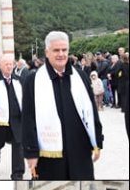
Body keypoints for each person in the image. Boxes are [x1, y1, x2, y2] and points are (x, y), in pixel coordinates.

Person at [22, 32, 103, 180]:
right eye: (56, 50)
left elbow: (91, 111)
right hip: (49, 154)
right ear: (47, 52)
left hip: (80, 148)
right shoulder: (32, 80)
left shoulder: (80, 76)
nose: (61, 54)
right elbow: (28, 118)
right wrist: (31, 152)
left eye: (64, 50)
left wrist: (97, 140)